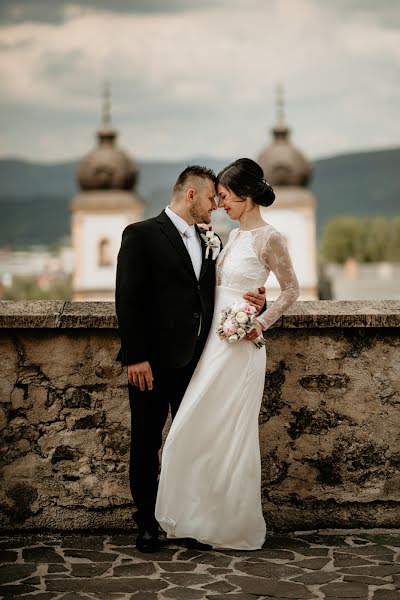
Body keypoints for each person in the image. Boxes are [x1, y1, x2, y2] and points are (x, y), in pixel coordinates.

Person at [115, 165, 266, 553]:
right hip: (151, 363)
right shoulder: (142, 234)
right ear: (191, 196)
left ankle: (187, 522)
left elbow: (218, 292)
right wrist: (136, 357)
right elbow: (128, 300)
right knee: (146, 442)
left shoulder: (209, 240)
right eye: (213, 198)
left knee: (195, 442)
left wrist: (256, 302)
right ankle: (147, 523)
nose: (217, 206)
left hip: (198, 362)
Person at [155, 158, 300, 550]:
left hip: (241, 347)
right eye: (217, 197)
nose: (220, 205)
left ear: (247, 196)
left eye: (225, 197)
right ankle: (197, 516)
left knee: (232, 431)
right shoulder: (232, 237)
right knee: (196, 424)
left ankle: (230, 524)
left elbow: (291, 290)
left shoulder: (270, 238)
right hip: (214, 344)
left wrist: (260, 321)